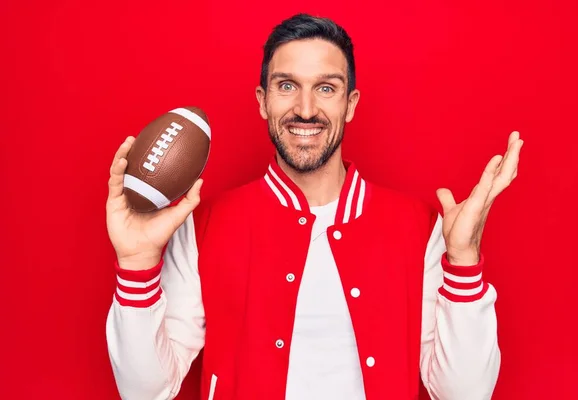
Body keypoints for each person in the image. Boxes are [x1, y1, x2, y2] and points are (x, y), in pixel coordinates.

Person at [105, 13, 523, 400]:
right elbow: (146, 392)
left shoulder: (420, 228)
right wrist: (137, 263)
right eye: (287, 85)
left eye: (326, 88)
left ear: (351, 103)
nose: (305, 110)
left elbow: (464, 393)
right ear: (262, 100)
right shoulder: (204, 226)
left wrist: (464, 260)